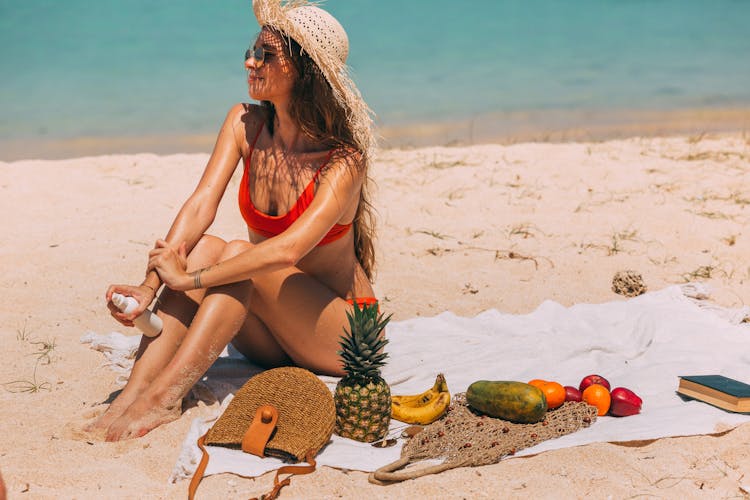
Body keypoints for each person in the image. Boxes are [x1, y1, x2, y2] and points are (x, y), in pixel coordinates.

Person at [88, 0, 378, 441]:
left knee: (239, 255)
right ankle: (133, 393)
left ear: (304, 72)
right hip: (270, 337)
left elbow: (287, 251)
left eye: (265, 54)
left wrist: (189, 281)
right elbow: (202, 202)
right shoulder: (245, 123)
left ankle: (163, 399)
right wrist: (150, 285)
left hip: (343, 338)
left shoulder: (342, 162)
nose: (250, 61)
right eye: (251, 50)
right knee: (203, 246)